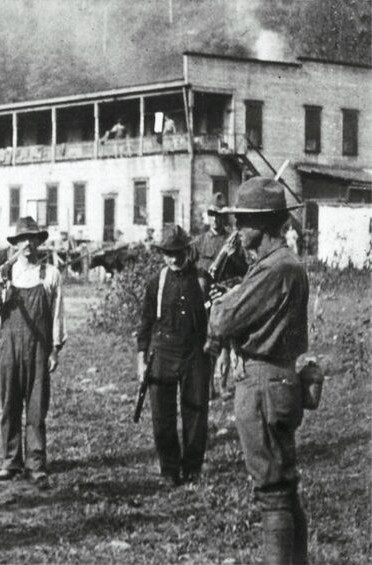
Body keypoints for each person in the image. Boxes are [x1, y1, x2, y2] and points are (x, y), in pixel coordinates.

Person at [209, 177, 309, 564]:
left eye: (244, 221)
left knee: (272, 493)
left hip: (263, 383)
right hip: (279, 379)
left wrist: (224, 303)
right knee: (284, 488)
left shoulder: (273, 270)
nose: (237, 229)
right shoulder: (282, 265)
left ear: (265, 225)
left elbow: (222, 322)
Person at [0, 217, 66, 490]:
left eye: (33, 238)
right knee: (9, 404)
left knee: (36, 407)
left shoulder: (50, 274)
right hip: (10, 348)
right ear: (16, 244)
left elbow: (57, 316)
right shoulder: (5, 273)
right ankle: (11, 461)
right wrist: (0, 296)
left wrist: (54, 349)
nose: (28, 244)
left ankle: (36, 463)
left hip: (38, 350)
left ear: (39, 242)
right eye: (22, 239)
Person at [136, 224, 210, 487]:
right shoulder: (157, 283)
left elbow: (214, 320)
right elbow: (145, 323)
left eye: (178, 252)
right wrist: (141, 358)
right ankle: (169, 469)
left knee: (196, 412)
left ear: (186, 251)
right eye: (168, 253)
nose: (174, 258)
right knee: (162, 415)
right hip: (163, 353)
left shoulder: (201, 280)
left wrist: (217, 350)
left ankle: (192, 468)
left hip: (195, 353)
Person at [192, 193, 248, 398]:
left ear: (224, 218)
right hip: (205, 298)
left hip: (225, 296)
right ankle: (208, 387)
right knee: (208, 343)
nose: (215, 219)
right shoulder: (198, 243)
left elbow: (245, 270)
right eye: (211, 214)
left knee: (224, 342)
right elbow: (192, 269)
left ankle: (223, 386)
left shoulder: (233, 241)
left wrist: (233, 258)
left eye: (219, 215)